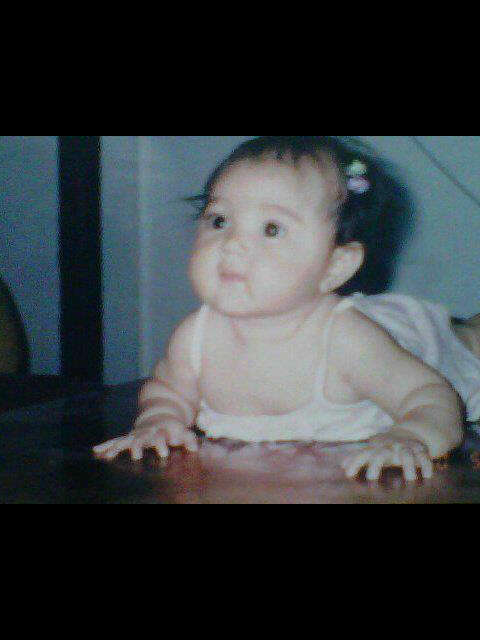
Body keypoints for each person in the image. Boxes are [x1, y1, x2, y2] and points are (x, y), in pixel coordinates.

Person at [94, 136, 480, 482]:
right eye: (219, 220)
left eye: (272, 229)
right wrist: (158, 419)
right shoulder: (195, 336)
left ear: (335, 267)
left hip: (415, 348)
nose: (232, 243)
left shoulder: (349, 342)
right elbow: (167, 391)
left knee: (467, 343)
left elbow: (432, 396)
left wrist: (410, 436)